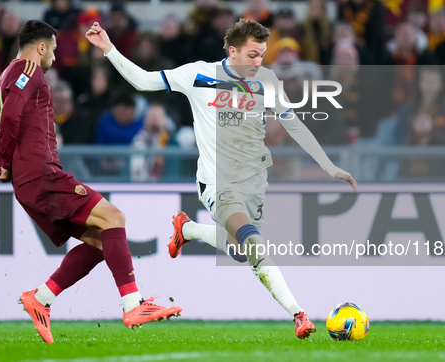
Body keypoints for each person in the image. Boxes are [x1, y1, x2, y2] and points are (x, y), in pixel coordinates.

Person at [86, 18, 357, 339]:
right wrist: (109, 50)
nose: (260, 62)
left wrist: (328, 167)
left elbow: (293, 123)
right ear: (232, 51)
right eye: (253, 55)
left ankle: (186, 230)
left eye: (263, 55)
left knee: (240, 250)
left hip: (253, 180)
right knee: (254, 245)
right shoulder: (198, 74)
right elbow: (145, 81)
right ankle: (299, 315)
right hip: (217, 182)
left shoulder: (267, 81)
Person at [0, 20, 181, 344]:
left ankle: (41, 299)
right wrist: (6, 162)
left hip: (31, 180)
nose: (55, 59)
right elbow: (12, 116)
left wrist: (2, 165)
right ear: (41, 46)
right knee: (114, 218)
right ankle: (134, 305)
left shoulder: (6, 76)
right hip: (43, 174)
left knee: (102, 241)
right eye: (55, 50)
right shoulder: (28, 69)